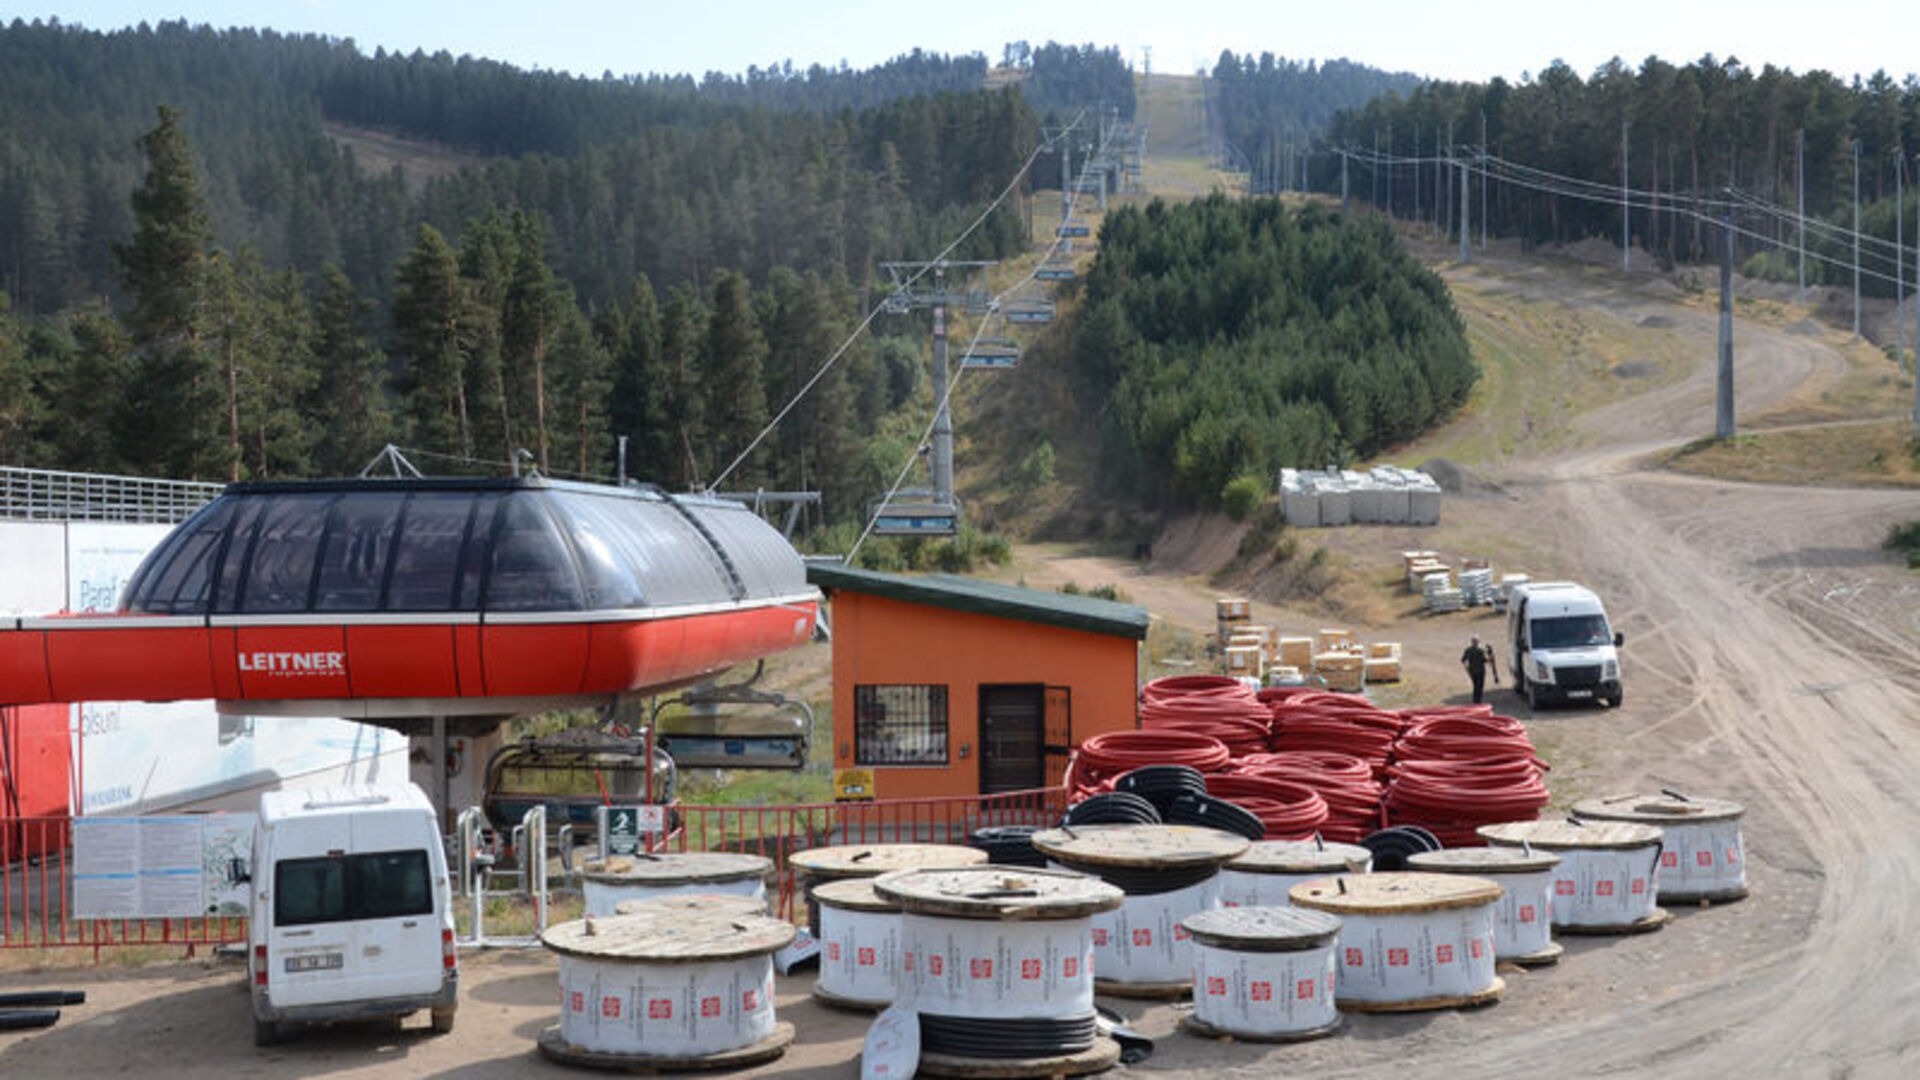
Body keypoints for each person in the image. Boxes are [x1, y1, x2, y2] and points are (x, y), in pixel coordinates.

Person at [1461, 634, 1499, 704]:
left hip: (1472, 671)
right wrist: (1490, 658)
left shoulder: (1468, 650)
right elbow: (1484, 660)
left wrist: (1467, 669)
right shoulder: (1480, 651)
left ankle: (1476, 701)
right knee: (1479, 686)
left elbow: (1463, 660)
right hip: (1480, 671)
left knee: (1475, 686)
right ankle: (1478, 701)